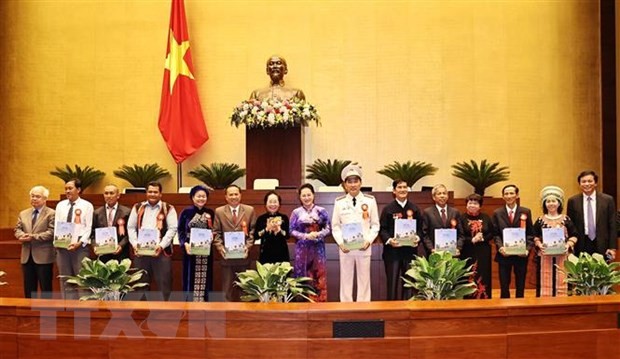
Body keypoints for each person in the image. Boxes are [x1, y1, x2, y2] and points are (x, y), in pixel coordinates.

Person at [332, 164, 379, 302]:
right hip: (346, 248)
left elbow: (375, 225)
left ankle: (363, 308)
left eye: (355, 181)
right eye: (349, 182)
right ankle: (346, 308)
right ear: (344, 185)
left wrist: (369, 240)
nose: (353, 185)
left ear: (360, 183)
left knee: (364, 280)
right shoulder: (339, 202)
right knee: (345, 280)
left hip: (363, 247)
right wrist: (341, 243)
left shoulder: (370, 201)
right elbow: (335, 226)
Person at [127, 181, 177, 301]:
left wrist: (161, 245)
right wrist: (134, 244)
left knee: (164, 283)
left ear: (160, 194)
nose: (152, 194)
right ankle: (141, 312)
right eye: (150, 192)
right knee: (140, 284)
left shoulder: (168, 208)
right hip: (141, 252)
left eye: (155, 192)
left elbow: (172, 228)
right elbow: (130, 227)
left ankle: (164, 312)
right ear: (146, 193)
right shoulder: (138, 207)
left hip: (161, 253)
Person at [379, 179, 422, 300]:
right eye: (399, 187)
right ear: (394, 191)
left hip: (410, 252)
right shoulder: (388, 209)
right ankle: (392, 311)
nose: (403, 190)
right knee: (392, 283)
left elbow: (420, 229)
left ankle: (407, 310)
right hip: (392, 253)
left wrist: (417, 238)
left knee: (409, 284)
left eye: (405, 187)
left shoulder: (415, 208)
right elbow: (382, 229)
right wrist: (389, 240)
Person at [212, 184, 257, 302]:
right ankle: (227, 314)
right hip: (226, 256)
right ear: (226, 197)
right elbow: (216, 232)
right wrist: (220, 247)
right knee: (227, 289)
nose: (233, 197)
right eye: (230, 194)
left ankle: (244, 314)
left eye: (236, 194)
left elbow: (253, 231)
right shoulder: (219, 211)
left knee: (244, 287)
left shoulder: (249, 210)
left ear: (240, 195)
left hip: (243, 256)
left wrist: (248, 247)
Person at [533, 186, 578, 297]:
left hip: (563, 255)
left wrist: (568, 244)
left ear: (559, 203)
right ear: (544, 204)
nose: (551, 203)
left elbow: (575, 235)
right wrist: (539, 244)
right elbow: (534, 236)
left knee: (563, 278)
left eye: (554, 201)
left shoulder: (566, 219)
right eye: (548, 201)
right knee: (545, 279)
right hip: (545, 256)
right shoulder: (540, 220)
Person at [290, 183, 331, 302]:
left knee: (318, 276)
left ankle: (319, 305)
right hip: (302, 250)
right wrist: (305, 236)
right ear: (300, 197)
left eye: (309, 195)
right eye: (304, 195)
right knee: (302, 277)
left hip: (318, 249)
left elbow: (328, 228)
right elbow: (291, 230)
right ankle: (302, 305)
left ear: (313, 195)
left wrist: (317, 234)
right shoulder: (296, 212)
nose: (306, 197)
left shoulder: (321, 211)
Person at [492, 184, 534, 298]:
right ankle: (504, 305)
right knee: (504, 284)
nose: (509, 196)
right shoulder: (497, 213)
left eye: (511, 193)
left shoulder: (526, 212)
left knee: (520, 283)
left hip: (521, 254)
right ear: (503, 196)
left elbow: (530, 234)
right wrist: (500, 247)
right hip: (504, 254)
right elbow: (495, 234)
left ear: (517, 195)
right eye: (506, 194)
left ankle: (520, 305)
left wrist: (527, 249)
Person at [54, 178, 94, 299]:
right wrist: (56, 242)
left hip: (80, 247)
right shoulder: (60, 205)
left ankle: (84, 307)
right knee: (65, 278)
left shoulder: (87, 206)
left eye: (70, 188)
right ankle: (68, 308)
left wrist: (80, 242)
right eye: (66, 189)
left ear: (79, 190)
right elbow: (57, 225)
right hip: (62, 247)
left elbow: (88, 227)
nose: (67, 191)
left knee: (82, 278)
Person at [14, 186, 55, 298]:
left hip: (44, 256)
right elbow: (17, 229)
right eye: (32, 196)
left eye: (38, 196)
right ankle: (29, 313)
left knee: (46, 288)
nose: (34, 198)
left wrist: (33, 237)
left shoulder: (51, 213)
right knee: (29, 288)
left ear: (45, 199)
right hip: (26, 256)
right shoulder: (23, 213)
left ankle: (47, 313)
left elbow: (51, 232)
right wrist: (21, 235)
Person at [567, 170, 617, 260]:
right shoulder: (573, 201)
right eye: (583, 181)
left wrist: (612, 247)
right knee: (581, 272)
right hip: (581, 244)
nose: (587, 184)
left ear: (596, 183)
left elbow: (612, 225)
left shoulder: (608, 200)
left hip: (603, 245)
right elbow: (571, 226)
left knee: (602, 272)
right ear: (579, 184)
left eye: (590, 181)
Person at [177, 185, 214, 302]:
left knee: (206, 277)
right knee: (189, 277)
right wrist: (185, 244)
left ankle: (204, 302)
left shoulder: (210, 213)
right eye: (198, 196)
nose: (201, 199)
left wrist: (213, 235)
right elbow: (180, 231)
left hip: (206, 251)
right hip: (190, 250)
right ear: (192, 197)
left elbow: (214, 229)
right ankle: (189, 304)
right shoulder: (186, 212)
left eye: (203, 196)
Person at [458, 193, 494, 299]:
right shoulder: (461, 218)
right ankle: (468, 297)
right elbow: (459, 235)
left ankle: (483, 297)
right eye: (470, 203)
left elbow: (492, 232)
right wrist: (472, 240)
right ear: (466, 204)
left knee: (483, 274)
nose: (472, 205)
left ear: (480, 205)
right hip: (467, 251)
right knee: (469, 273)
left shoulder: (486, 217)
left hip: (483, 251)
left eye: (475, 203)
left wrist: (483, 238)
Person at [91, 184, 131, 262]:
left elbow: (129, 233)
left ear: (118, 195)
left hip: (120, 253)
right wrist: (95, 246)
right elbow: (93, 233)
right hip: (103, 253)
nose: (109, 196)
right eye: (106, 193)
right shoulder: (97, 213)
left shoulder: (126, 212)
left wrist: (120, 245)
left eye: (111, 193)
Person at [422, 184, 463, 257]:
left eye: (444, 193)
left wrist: (458, 248)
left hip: (452, 254)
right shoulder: (427, 212)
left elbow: (461, 234)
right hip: (435, 254)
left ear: (447, 196)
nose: (442, 196)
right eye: (439, 194)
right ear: (434, 197)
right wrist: (431, 249)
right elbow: (425, 234)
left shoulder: (455, 212)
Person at [254, 191, 290, 264]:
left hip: (282, 253)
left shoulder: (284, 217)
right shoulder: (261, 218)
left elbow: (287, 236)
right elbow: (256, 236)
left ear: (279, 204)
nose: (273, 204)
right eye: (270, 202)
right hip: (266, 253)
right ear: (265, 204)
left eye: (275, 202)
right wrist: (266, 229)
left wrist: (279, 230)